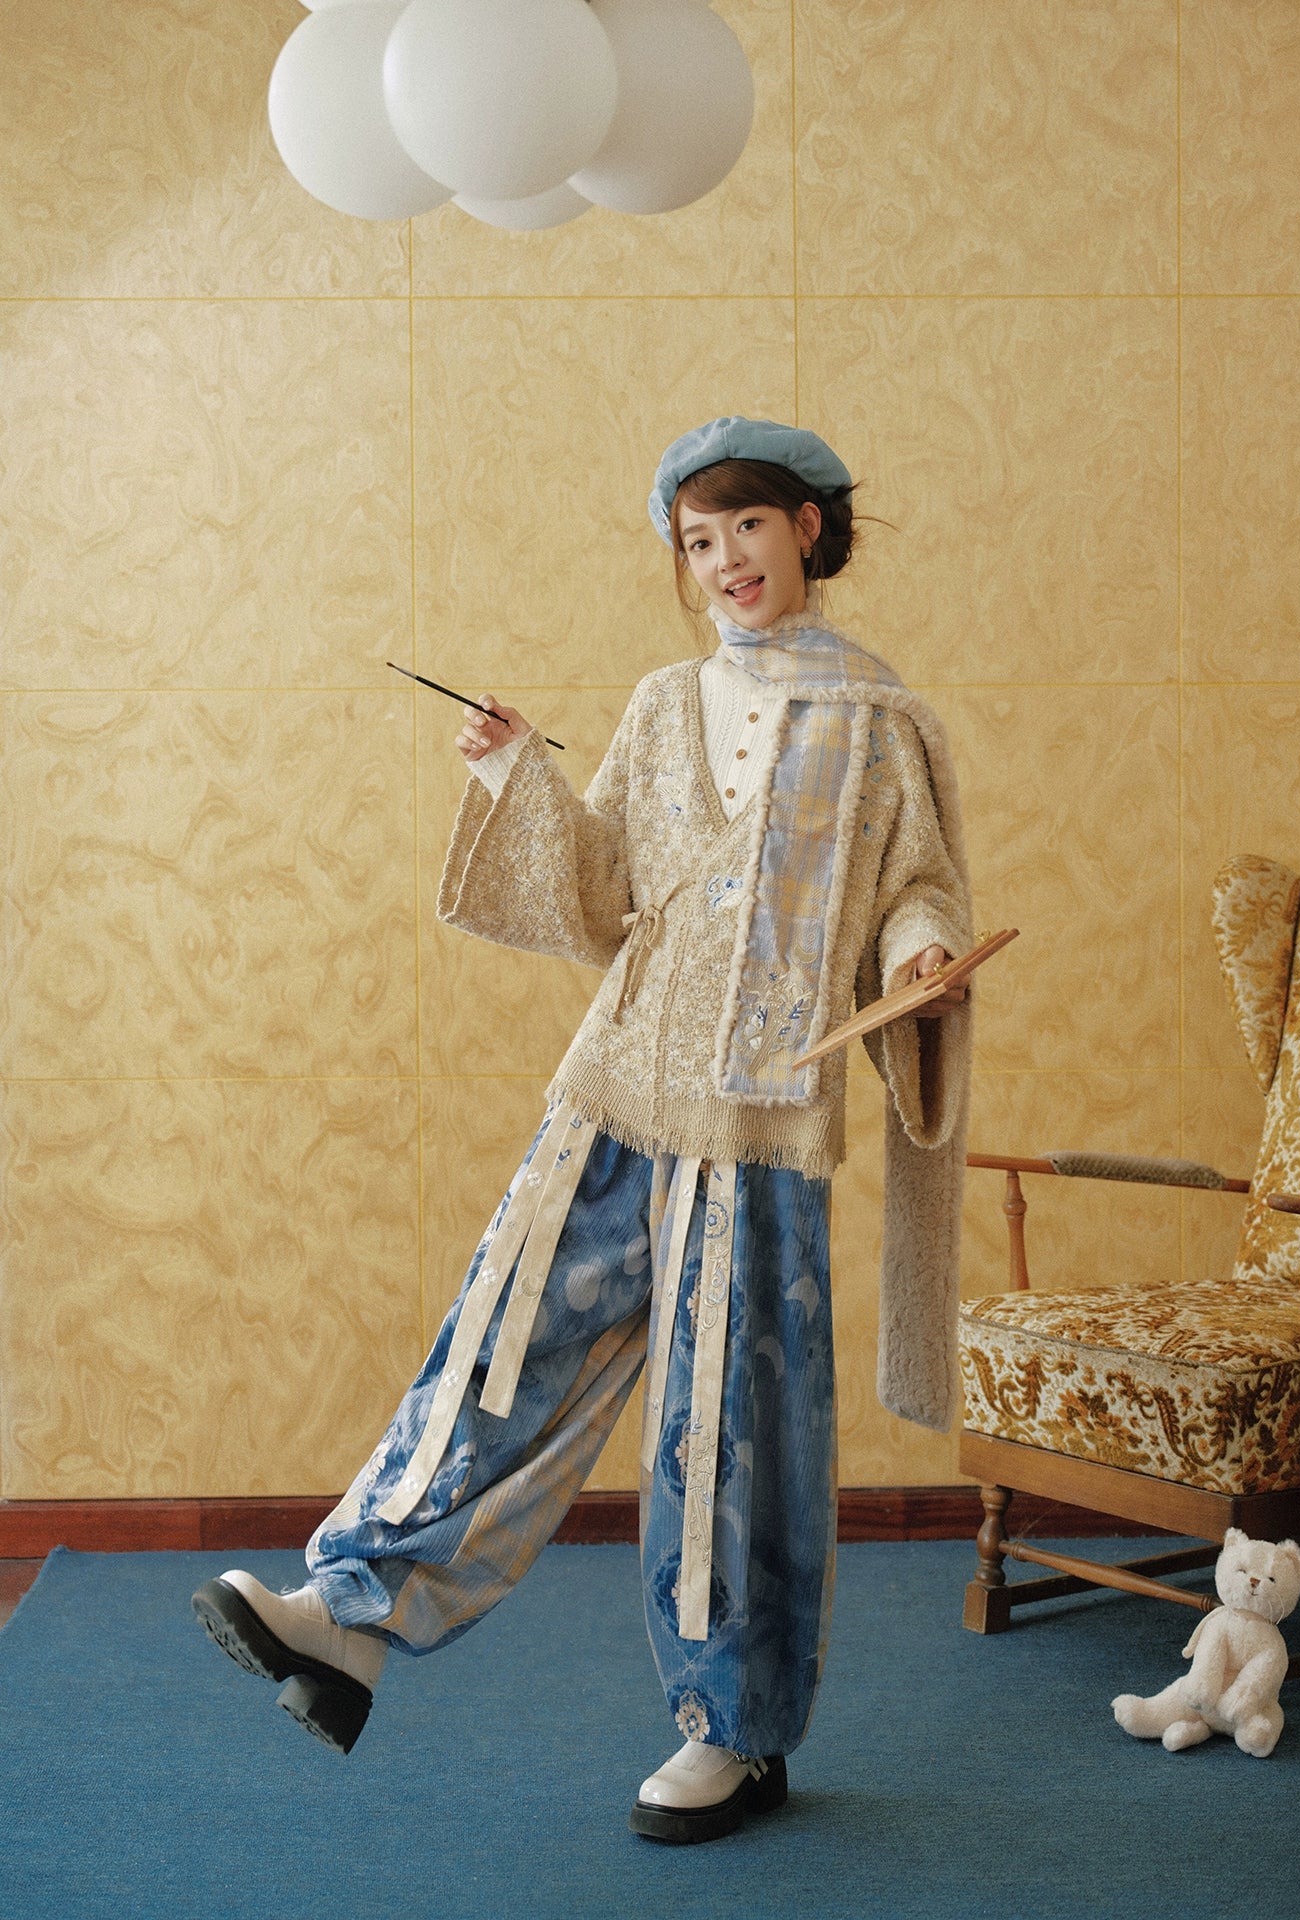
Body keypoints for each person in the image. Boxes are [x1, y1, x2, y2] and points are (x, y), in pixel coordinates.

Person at [192, 416, 974, 1845]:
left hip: (761, 1119)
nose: (723, 561)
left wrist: (921, 952)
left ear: (807, 527)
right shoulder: (665, 703)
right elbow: (600, 884)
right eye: (696, 541)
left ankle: (732, 1733)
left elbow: (914, 883)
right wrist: (519, 777)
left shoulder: (880, 721)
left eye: (746, 527)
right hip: (617, 1090)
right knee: (500, 1350)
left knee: (727, 1433)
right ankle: (351, 1614)